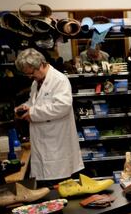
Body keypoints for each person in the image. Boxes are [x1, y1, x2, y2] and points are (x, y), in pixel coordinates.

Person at [14, 48, 83, 186]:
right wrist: (24, 107)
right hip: (42, 142)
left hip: (56, 145)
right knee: (45, 187)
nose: (29, 77)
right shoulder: (37, 82)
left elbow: (63, 106)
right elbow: (34, 102)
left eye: (31, 73)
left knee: (58, 189)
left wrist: (32, 113)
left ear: (40, 65)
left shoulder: (59, 80)